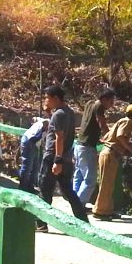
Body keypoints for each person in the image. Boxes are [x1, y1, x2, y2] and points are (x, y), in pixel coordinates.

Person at [37, 85, 89, 225]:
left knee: (45, 190)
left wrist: (57, 160)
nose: (45, 100)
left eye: (47, 98)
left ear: (55, 98)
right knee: (68, 191)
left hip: (54, 157)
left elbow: (59, 137)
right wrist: (49, 114)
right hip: (65, 157)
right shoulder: (68, 112)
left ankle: (41, 223)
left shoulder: (58, 114)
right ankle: (83, 221)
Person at [92, 103, 132, 219]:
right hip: (110, 154)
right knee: (106, 185)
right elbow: (120, 136)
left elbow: (108, 137)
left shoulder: (122, 121)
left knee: (109, 185)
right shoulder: (127, 122)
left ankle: (107, 211)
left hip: (109, 154)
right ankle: (100, 211)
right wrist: (129, 149)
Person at [73, 87, 116, 203]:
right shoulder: (99, 107)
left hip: (79, 145)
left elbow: (90, 124)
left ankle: (73, 201)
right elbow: (101, 124)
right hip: (87, 147)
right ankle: (79, 205)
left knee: (79, 175)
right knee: (90, 180)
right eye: (111, 102)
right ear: (104, 99)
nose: (111, 105)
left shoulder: (89, 103)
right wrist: (111, 138)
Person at [16, 115, 46, 189]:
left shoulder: (47, 122)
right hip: (29, 141)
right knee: (27, 166)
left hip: (35, 144)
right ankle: (23, 186)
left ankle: (30, 186)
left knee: (35, 167)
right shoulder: (47, 123)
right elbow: (35, 138)